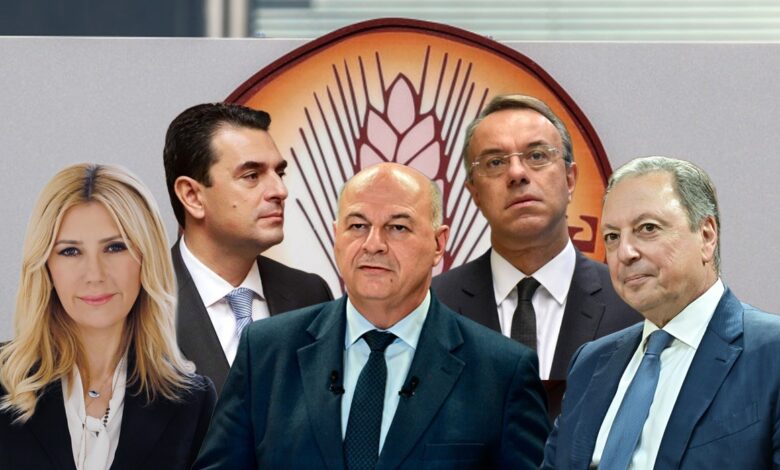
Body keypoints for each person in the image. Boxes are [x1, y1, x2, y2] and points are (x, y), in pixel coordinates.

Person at [194, 162, 550, 469]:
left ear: (438, 244)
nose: (373, 244)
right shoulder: (266, 351)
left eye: (398, 227)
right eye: (358, 226)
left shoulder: (502, 372)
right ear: (336, 236)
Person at [542, 156, 780, 469]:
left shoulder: (771, 353)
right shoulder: (589, 364)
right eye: (612, 236)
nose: (625, 253)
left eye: (647, 228)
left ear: (707, 235)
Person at [0, 163, 216, 470]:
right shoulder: (4, 379)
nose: (95, 275)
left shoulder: (193, 404)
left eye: (115, 247)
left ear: (147, 257)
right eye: (70, 251)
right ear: (45, 265)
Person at [432, 93, 641, 380]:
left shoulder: (633, 302)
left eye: (537, 156)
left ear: (569, 180)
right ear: (475, 193)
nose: (517, 173)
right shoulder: (432, 308)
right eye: (495, 162)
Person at [163, 103, 333, 394]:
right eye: (252, 176)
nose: (280, 191)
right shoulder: (137, 302)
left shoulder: (309, 295)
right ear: (192, 196)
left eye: (280, 173)